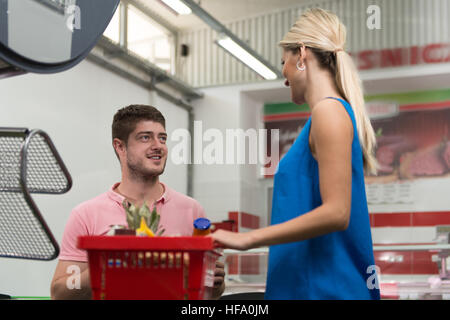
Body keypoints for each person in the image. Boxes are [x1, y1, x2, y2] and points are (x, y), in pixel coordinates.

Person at [211, 8, 380, 300]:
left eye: (283, 63)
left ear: (301, 54)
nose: (284, 75)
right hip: (306, 287)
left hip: (324, 290)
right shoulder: (324, 116)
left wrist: (245, 239)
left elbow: (337, 212)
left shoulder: (329, 111)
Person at [50, 105, 225, 299]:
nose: (158, 145)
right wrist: (105, 266)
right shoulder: (86, 214)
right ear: (120, 146)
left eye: (162, 138)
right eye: (145, 137)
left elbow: (208, 293)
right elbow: (60, 293)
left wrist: (215, 283)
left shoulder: (192, 210)